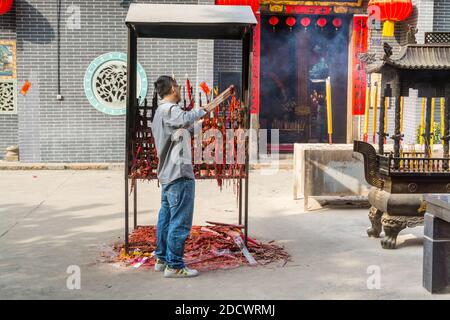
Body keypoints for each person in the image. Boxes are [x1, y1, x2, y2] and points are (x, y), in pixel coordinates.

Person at [150, 75, 214, 278]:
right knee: (180, 221)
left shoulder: (161, 114)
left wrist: (200, 123)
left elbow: (181, 132)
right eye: (177, 87)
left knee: (167, 219)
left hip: (168, 174)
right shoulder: (170, 110)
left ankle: (161, 259)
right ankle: (175, 265)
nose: (179, 90)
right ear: (172, 89)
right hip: (179, 174)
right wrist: (203, 110)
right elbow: (185, 117)